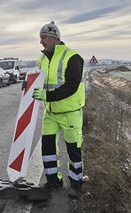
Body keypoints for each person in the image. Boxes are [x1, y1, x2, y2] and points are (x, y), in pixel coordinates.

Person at [32, 21, 85, 199]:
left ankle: (76, 185)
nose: (41, 42)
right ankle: (53, 182)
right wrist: (29, 86)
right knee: (47, 149)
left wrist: (47, 96)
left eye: (44, 38)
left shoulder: (73, 57)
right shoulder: (41, 59)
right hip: (50, 113)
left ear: (55, 38)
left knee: (73, 150)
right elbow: (38, 83)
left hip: (70, 113)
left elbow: (71, 86)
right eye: (40, 38)